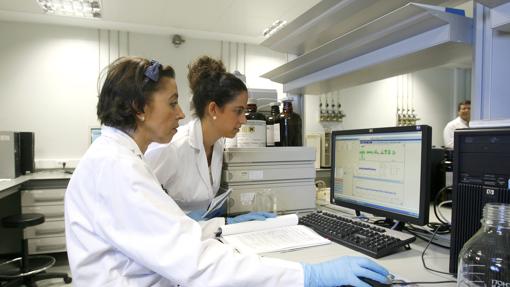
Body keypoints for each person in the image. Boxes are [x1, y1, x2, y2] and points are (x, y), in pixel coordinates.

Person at [65, 56, 391, 286]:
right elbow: (194, 261)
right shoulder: (119, 169)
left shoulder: (119, 159)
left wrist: (225, 226)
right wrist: (308, 276)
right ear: (139, 109)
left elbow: (175, 232)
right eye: (172, 102)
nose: (180, 113)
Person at [145, 56, 270, 225]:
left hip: (200, 235)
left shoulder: (218, 144)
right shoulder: (170, 148)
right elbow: (143, 212)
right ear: (213, 109)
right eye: (238, 111)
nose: (244, 120)